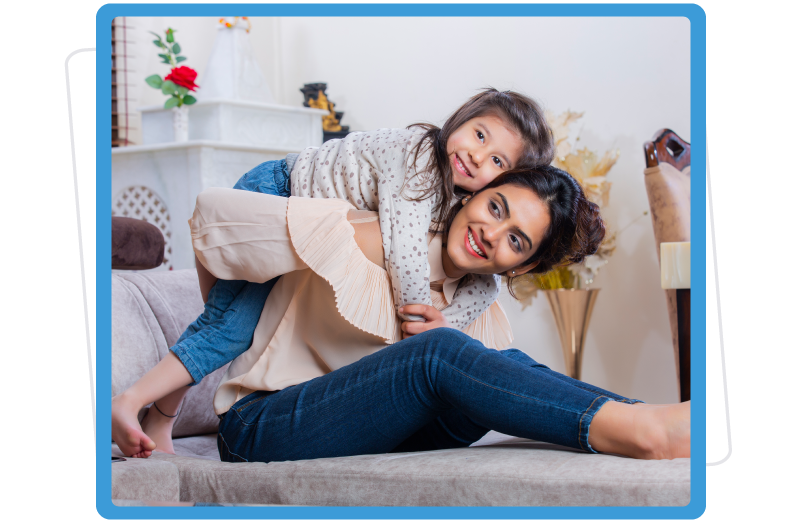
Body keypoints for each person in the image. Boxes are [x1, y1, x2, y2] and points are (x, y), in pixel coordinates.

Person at [114, 167, 690, 461]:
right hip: (261, 425)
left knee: (498, 360)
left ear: (523, 266)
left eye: (516, 241)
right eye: (496, 207)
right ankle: (643, 430)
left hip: (369, 428)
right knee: (440, 354)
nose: (491, 234)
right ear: (473, 193)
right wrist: (214, 333)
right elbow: (213, 218)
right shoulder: (364, 229)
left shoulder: (476, 305)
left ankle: (639, 415)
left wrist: (443, 353)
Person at [112, 88, 554, 455]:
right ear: (461, 119)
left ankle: (161, 418)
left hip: (304, 219)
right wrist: (419, 321)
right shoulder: (419, 157)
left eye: (497, 162)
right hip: (276, 193)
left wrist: (449, 324)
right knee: (230, 328)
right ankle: (129, 402)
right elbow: (404, 251)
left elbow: (484, 287)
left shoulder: (455, 196)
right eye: (479, 135)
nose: (477, 156)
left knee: (224, 325)